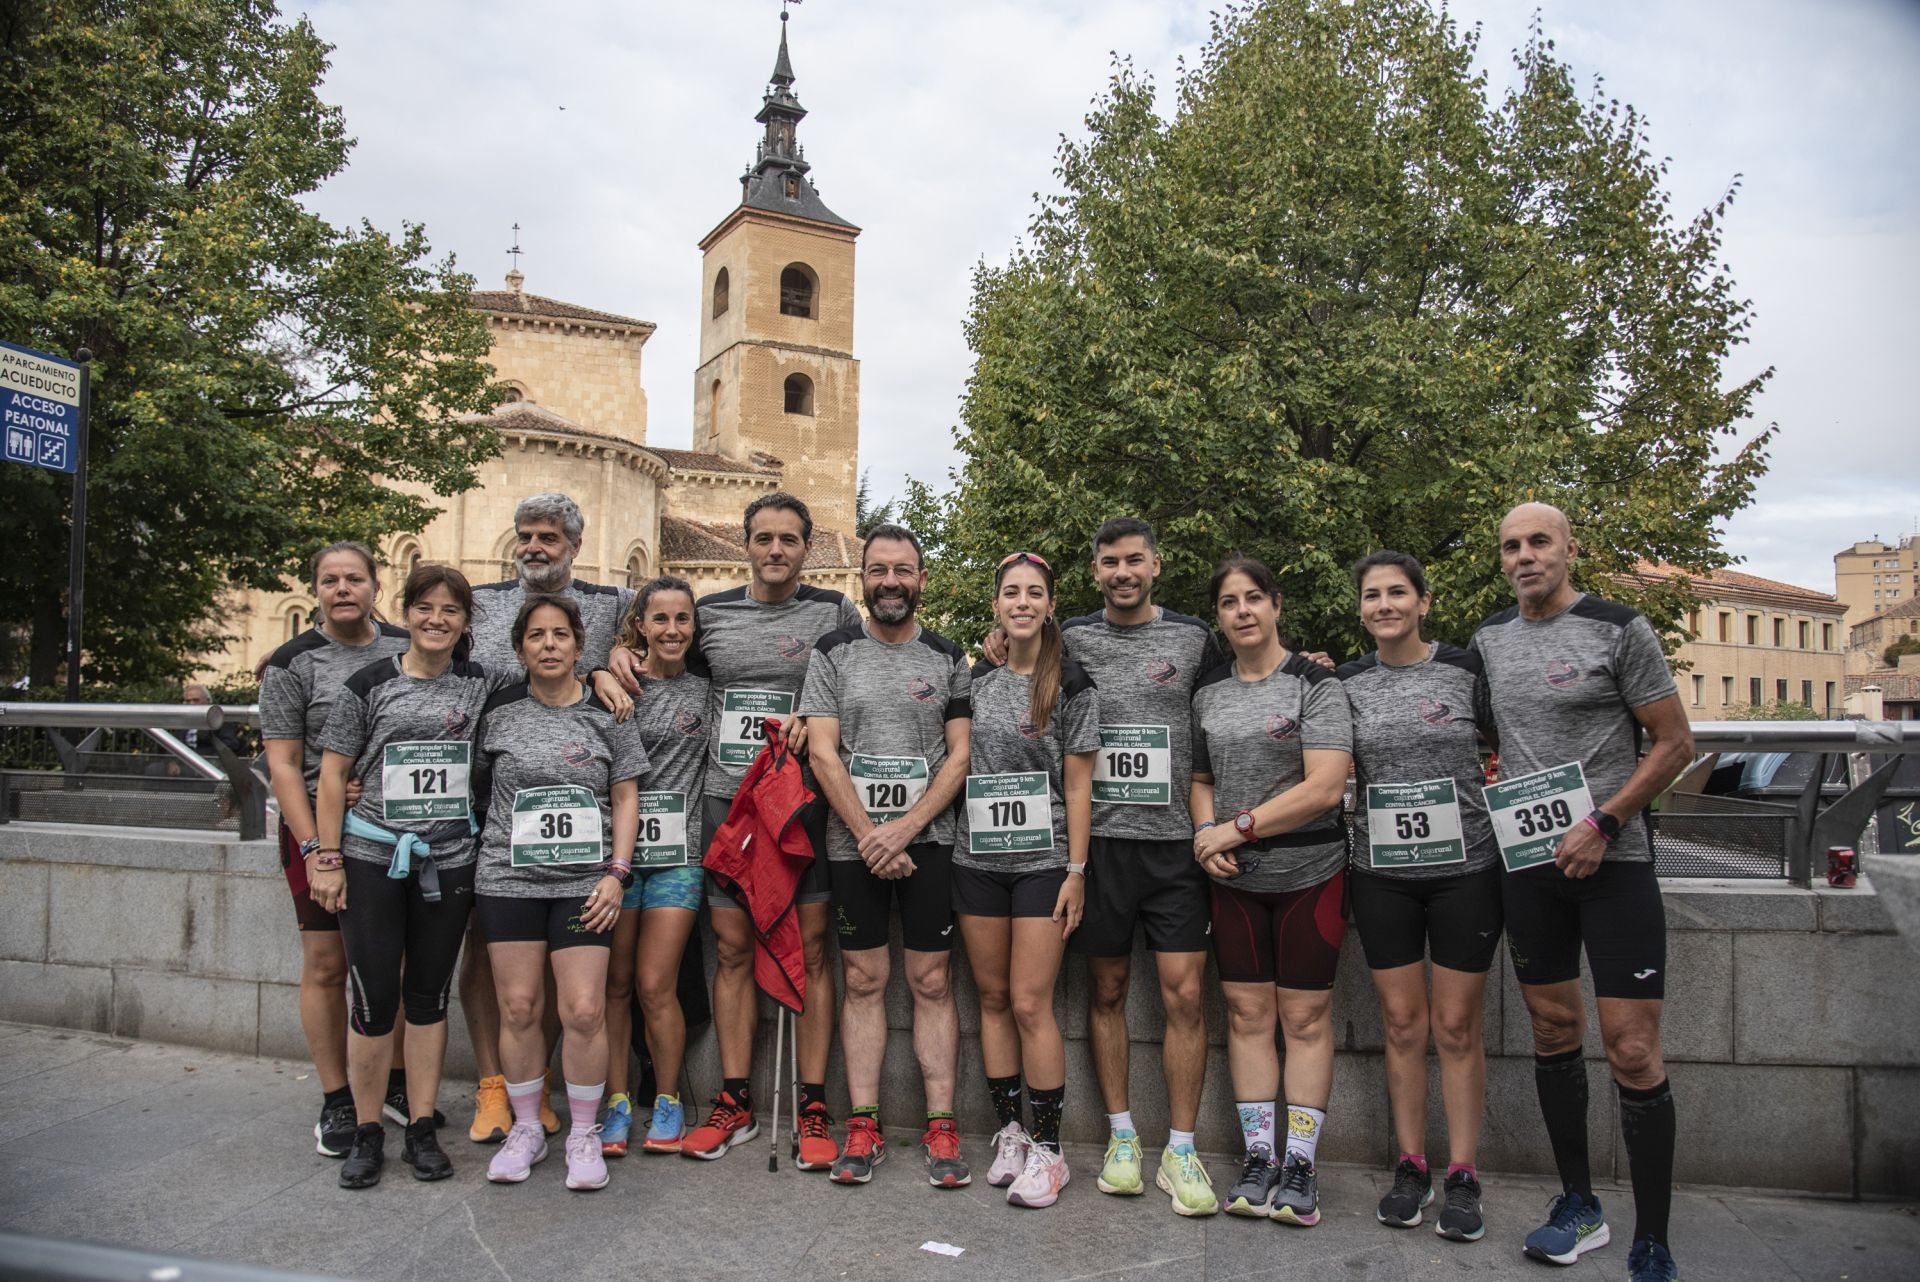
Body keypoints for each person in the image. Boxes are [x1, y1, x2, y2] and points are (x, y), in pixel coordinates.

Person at [1470, 502, 1693, 1282]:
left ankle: (1654, 1238)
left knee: (1632, 1047)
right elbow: (1491, 733)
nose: (1525, 556)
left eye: (1539, 542)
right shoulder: (1490, 640)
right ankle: (1579, 1206)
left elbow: (1675, 741)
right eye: (1511, 546)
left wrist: (1604, 821)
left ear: (1569, 548)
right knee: (1553, 1028)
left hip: (1614, 862)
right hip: (1529, 863)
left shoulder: (1619, 628)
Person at [611, 492, 859, 1169]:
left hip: (804, 804)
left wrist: (816, 713)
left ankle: (812, 1102)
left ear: (808, 548)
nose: (775, 550)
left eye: (788, 539)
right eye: (763, 539)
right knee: (731, 951)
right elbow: (659, 664)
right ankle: (735, 1099)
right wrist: (610, 660)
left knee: (811, 949)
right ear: (745, 545)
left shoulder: (835, 612)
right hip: (728, 806)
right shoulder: (711, 614)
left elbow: (860, 682)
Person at [1028, 517, 1225, 1216]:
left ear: (1156, 564)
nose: (1122, 572)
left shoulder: (1195, 638)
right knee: (1105, 993)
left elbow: (1236, 701)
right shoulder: (1070, 637)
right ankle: (1120, 1138)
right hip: (1100, 848)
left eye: (1133, 560)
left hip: (1174, 847)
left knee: (1184, 996)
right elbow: (1019, 669)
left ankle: (1180, 1148)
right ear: (1094, 570)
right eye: (1109, 561)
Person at [312, 564, 508, 1189]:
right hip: (373, 858)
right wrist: (327, 858)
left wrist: (609, 669)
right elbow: (334, 776)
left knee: (428, 997)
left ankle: (420, 1126)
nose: (436, 620)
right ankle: (368, 1132)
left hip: (448, 860)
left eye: (450, 611)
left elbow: (552, 676)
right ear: (406, 613)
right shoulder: (368, 685)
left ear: (464, 622)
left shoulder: (483, 684)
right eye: (424, 608)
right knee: (374, 1001)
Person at [801, 523, 973, 1188]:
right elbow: (822, 752)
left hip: (928, 844)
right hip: (852, 847)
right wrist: (873, 834)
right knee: (864, 983)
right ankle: (863, 1123)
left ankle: (942, 1124)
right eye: (879, 571)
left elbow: (959, 758)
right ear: (863, 579)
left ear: (921, 578)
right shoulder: (833, 652)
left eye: (903, 570)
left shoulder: (947, 657)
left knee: (932, 983)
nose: (892, 582)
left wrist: (903, 831)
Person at [1336, 550, 1502, 1242]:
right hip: (1382, 874)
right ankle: (1411, 1164)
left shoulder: (1466, 670)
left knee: (1457, 1027)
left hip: (1466, 869)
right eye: (1372, 596)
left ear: (1423, 602)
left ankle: (1463, 1172)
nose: (1384, 605)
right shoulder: (1345, 682)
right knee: (1402, 1025)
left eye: (1397, 593)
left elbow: (1509, 742)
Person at [462, 492, 636, 1144]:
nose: (535, 547)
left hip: (574, 807)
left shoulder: (611, 604)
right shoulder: (480, 603)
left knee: (565, 968)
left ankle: (541, 1094)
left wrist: (610, 665)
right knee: (488, 956)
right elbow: (420, 642)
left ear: (575, 546)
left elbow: (670, 643)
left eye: (549, 537)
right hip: (483, 797)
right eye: (526, 535)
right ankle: (493, 1088)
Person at [1189, 556, 1352, 1227]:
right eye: (1229, 603)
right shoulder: (1208, 691)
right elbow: (1200, 777)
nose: (1243, 612)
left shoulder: (1315, 683)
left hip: (1309, 874)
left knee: (1305, 1020)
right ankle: (1260, 1159)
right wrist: (1206, 834)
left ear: (1276, 604)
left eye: (1255, 598)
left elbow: (1324, 786)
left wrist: (1238, 828)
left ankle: (1302, 1165)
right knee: (1247, 1017)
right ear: (1219, 617)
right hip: (1234, 881)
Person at [259, 542, 410, 1158]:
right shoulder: (292, 662)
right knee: (326, 964)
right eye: (329, 580)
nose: (342, 589)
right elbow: (285, 764)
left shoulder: (407, 645)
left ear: (377, 585)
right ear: (315, 590)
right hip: (317, 832)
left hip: (392, 830)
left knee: (391, 966)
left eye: (354, 579)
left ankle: (393, 1080)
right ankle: (337, 1097)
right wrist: (319, 849)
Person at [958, 552, 1099, 1209]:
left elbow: (1077, 785)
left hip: (1043, 862)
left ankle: (1050, 1150)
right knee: (990, 999)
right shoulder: (975, 681)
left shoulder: (1071, 683)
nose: (1021, 602)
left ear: (1049, 605)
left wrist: (1076, 869)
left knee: (1028, 1002)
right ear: (997, 606)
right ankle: (1010, 1132)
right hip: (977, 859)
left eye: (1033, 593)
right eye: (1010, 592)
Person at [599, 576, 709, 1157]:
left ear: (694, 626)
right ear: (640, 624)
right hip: (613, 862)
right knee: (615, 986)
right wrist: (600, 669)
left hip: (677, 859)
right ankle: (617, 1104)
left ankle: (667, 1101)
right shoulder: (614, 686)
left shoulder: (708, 690)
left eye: (682, 620)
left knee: (653, 985)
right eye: (659, 619)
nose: (671, 630)